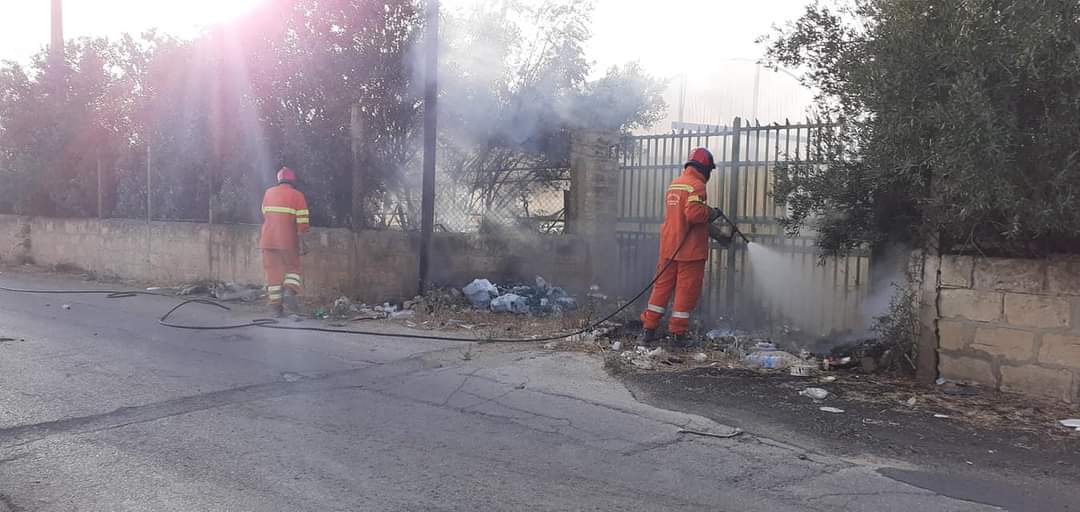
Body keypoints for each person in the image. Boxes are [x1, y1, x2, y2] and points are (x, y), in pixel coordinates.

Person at [639, 148, 728, 345]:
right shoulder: (696, 186)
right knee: (685, 291)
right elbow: (694, 215)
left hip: (669, 246)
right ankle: (677, 335)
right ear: (704, 168)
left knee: (661, 287)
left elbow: (681, 217)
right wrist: (712, 213)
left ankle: (648, 329)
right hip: (689, 250)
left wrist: (716, 231)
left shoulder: (676, 183)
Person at [260, 166, 310, 317]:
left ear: (279, 180)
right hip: (288, 241)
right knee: (293, 269)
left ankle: (276, 309)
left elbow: (264, 213)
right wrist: (303, 240)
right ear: (292, 181)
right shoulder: (297, 195)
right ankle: (289, 291)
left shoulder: (268, 193)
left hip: (268, 241)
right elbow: (303, 221)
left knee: (273, 275)